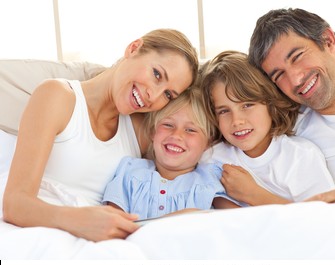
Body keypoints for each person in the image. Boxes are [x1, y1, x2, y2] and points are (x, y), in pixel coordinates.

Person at [2, 28, 199, 241]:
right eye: (157, 74)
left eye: (168, 94)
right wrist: (78, 220)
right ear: (134, 48)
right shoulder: (58, 96)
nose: (154, 95)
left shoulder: (143, 130)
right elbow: (15, 204)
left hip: (98, 245)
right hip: (36, 233)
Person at [248, 8, 335, 203]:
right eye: (279, 75)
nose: (295, 79)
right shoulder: (288, 128)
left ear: (328, 40)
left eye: (297, 56)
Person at [199, 50, 335, 205]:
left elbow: (323, 218)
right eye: (224, 111)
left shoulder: (299, 156)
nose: (236, 121)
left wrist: (254, 195)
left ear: (270, 104)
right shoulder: (212, 158)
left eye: (247, 105)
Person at [102, 88, 239, 219]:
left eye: (190, 130)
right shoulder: (131, 171)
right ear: (152, 132)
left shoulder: (209, 180)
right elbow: (113, 224)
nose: (177, 135)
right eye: (168, 125)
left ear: (208, 143)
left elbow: (240, 221)